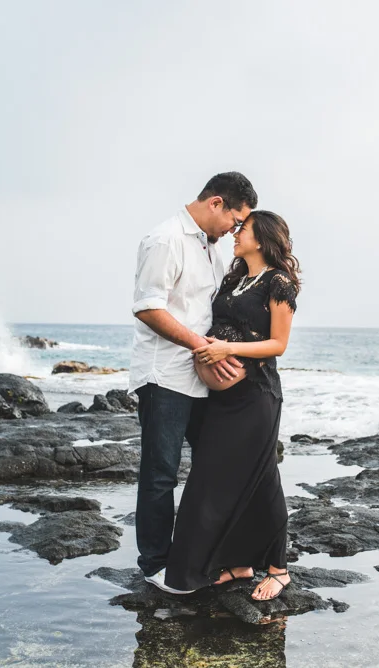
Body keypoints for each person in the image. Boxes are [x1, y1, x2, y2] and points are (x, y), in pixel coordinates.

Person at [129, 172, 258, 594]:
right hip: (165, 375)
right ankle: (155, 565)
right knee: (160, 474)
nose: (235, 230)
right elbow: (148, 308)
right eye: (235, 220)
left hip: (204, 380)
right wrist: (203, 346)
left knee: (212, 468)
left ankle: (204, 555)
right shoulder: (165, 239)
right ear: (216, 203)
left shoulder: (212, 248)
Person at [164, 210, 300, 601]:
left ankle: (278, 569)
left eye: (244, 229)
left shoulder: (279, 283)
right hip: (222, 398)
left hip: (256, 396)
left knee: (262, 479)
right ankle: (238, 563)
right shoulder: (235, 278)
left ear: (263, 237)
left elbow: (278, 345)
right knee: (215, 478)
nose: (236, 234)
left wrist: (226, 348)